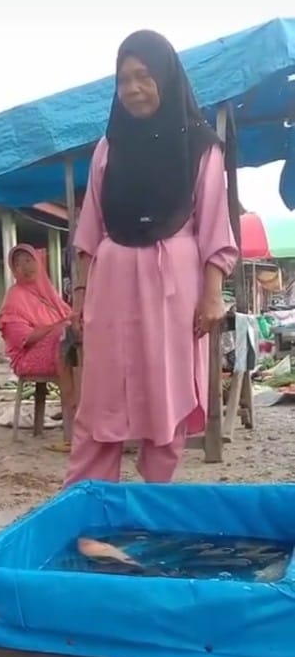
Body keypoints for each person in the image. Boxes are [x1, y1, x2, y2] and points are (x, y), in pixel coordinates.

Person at [64, 30, 239, 487]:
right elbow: (91, 226)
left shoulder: (202, 148)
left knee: (165, 398)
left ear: (166, 76)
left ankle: (152, 504)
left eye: (144, 76)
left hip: (172, 287)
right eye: (124, 80)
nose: (134, 89)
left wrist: (211, 296)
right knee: (100, 399)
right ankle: (86, 503)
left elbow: (214, 226)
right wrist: (80, 295)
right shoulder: (109, 147)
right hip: (111, 282)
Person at [0, 244, 77, 441]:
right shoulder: (15, 297)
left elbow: (70, 319)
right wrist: (59, 326)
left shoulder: (48, 293)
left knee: (79, 337)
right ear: (13, 270)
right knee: (65, 337)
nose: (25, 267)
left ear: (38, 262)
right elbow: (23, 339)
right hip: (28, 357)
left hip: (57, 349)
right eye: (18, 264)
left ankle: (89, 418)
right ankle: (72, 431)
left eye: (29, 260)